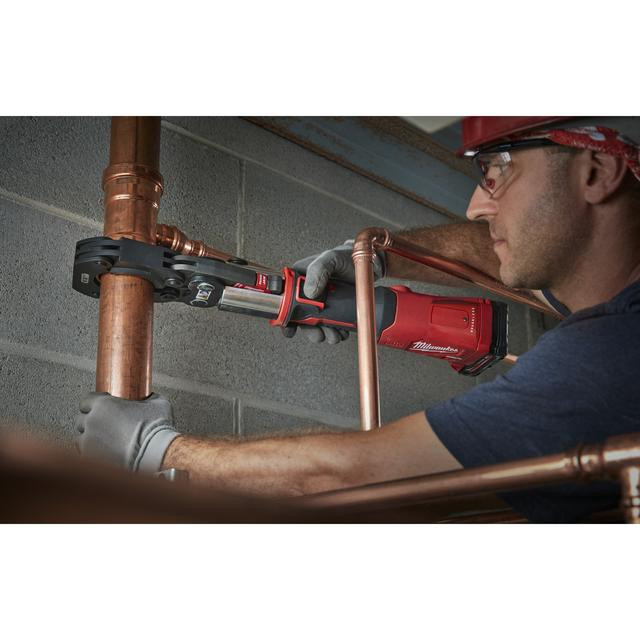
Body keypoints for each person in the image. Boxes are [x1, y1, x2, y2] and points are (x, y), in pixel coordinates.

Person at [76, 116, 640, 523]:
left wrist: (157, 450)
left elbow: (361, 474)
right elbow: (504, 249)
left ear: (597, 171)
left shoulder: (612, 351)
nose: (476, 204)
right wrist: (375, 256)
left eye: (500, 169)